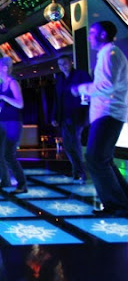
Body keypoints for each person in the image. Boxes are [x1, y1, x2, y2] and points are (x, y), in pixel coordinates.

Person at [72, 21, 128, 216]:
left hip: (109, 113)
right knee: (104, 159)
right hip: (107, 113)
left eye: (92, 32)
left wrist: (82, 88)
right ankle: (122, 201)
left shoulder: (110, 53)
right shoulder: (109, 53)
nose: (89, 37)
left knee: (95, 158)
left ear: (103, 35)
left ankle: (116, 205)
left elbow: (107, 85)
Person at [51, 55, 91, 182]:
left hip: (78, 114)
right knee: (68, 145)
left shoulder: (81, 75)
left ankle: (80, 172)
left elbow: (88, 92)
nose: (63, 66)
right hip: (64, 116)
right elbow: (57, 99)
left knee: (74, 142)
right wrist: (54, 116)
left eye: (65, 63)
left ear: (71, 62)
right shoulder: (60, 78)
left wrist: (86, 111)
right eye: (60, 64)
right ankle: (77, 171)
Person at [0, 56, 28, 193]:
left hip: (13, 122)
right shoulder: (2, 84)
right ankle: (5, 180)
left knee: (9, 154)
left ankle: (22, 184)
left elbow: (20, 104)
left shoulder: (13, 83)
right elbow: (2, 106)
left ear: (5, 68)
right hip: (2, 121)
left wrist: (3, 97)